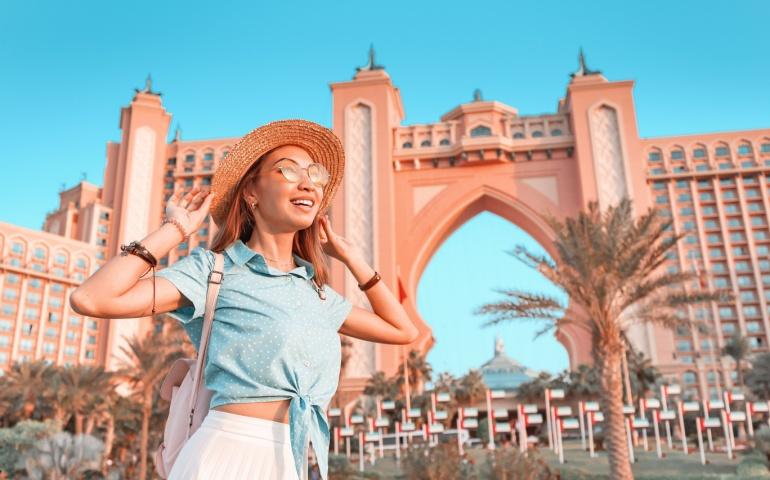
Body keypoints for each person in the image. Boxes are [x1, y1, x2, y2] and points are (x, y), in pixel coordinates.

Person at [70, 119, 419, 479]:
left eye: (315, 174)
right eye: (288, 170)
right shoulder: (215, 270)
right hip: (224, 456)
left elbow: (403, 330)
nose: (308, 183)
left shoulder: (315, 291)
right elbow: (92, 299)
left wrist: (353, 259)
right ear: (251, 191)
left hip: (291, 460)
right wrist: (173, 231)